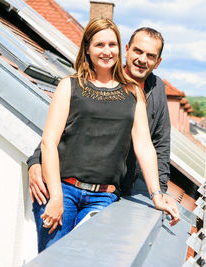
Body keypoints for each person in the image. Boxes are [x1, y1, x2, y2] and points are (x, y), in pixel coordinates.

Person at [32, 18, 179, 253]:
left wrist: (157, 194)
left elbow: (149, 146)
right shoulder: (69, 85)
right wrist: (42, 175)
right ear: (87, 49)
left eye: (112, 45)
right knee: (54, 258)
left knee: (90, 257)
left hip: (106, 196)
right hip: (64, 190)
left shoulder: (137, 93)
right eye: (99, 45)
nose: (107, 51)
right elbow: (52, 140)